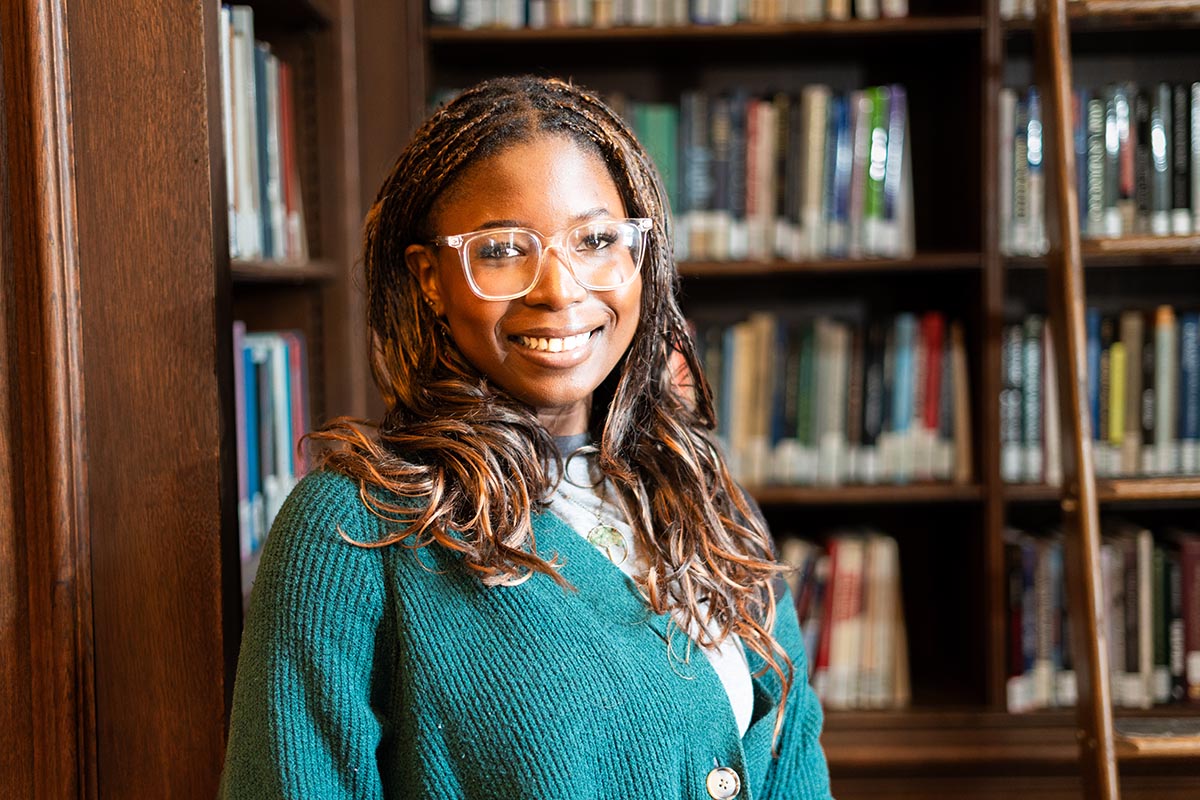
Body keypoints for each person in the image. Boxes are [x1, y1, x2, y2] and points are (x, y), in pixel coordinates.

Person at [219, 75, 831, 800]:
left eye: (596, 240)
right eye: (504, 249)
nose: (560, 289)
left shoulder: (705, 503)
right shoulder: (354, 529)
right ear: (430, 279)